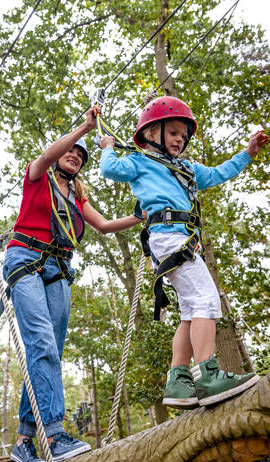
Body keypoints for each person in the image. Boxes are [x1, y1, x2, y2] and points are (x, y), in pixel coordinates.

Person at [99, 95, 268, 410]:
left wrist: (247, 153)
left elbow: (218, 174)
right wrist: (107, 145)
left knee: (191, 311)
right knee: (206, 301)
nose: (180, 139)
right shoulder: (140, 160)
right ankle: (208, 374)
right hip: (169, 236)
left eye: (183, 135)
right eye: (173, 132)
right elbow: (109, 169)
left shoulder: (186, 170)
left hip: (178, 239)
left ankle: (178, 382)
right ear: (151, 133)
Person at [3, 105, 144, 462]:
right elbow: (48, 153)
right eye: (70, 150)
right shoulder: (37, 177)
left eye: (80, 156)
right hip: (25, 260)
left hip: (58, 269)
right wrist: (85, 128)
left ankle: (23, 441)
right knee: (42, 343)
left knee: (49, 353)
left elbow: (105, 225)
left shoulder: (77, 198)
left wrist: (142, 216)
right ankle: (53, 434)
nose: (73, 155)